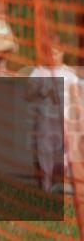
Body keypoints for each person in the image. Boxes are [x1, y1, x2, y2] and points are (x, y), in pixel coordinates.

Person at [28, 40, 82, 193]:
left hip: (64, 120)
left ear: (62, 52)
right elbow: (30, 96)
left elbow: (76, 98)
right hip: (44, 119)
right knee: (44, 152)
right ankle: (46, 185)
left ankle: (64, 183)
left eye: (56, 52)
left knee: (66, 153)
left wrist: (80, 116)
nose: (53, 56)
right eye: (50, 53)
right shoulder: (38, 72)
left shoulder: (69, 73)